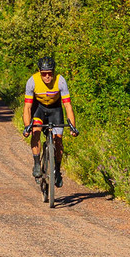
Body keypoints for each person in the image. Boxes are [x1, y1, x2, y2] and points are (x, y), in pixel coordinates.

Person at [23, 55, 77, 187]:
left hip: (55, 110)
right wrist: (27, 127)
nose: (47, 77)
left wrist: (73, 127)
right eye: (44, 74)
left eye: (50, 73)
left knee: (58, 140)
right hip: (39, 109)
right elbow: (28, 107)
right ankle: (36, 164)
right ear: (39, 72)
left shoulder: (60, 81)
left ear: (54, 72)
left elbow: (67, 106)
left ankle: (57, 170)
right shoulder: (32, 81)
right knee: (36, 131)